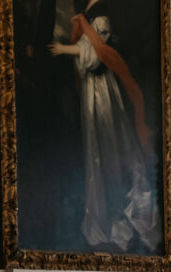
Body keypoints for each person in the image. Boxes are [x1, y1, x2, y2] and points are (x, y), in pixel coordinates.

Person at [49, 0, 156, 251]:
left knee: (111, 149)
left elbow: (98, 55)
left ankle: (121, 214)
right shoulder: (84, 15)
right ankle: (105, 217)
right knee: (96, 152)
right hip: (90, 94)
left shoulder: (101, 14)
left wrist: (65, 49)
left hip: (104, 94)